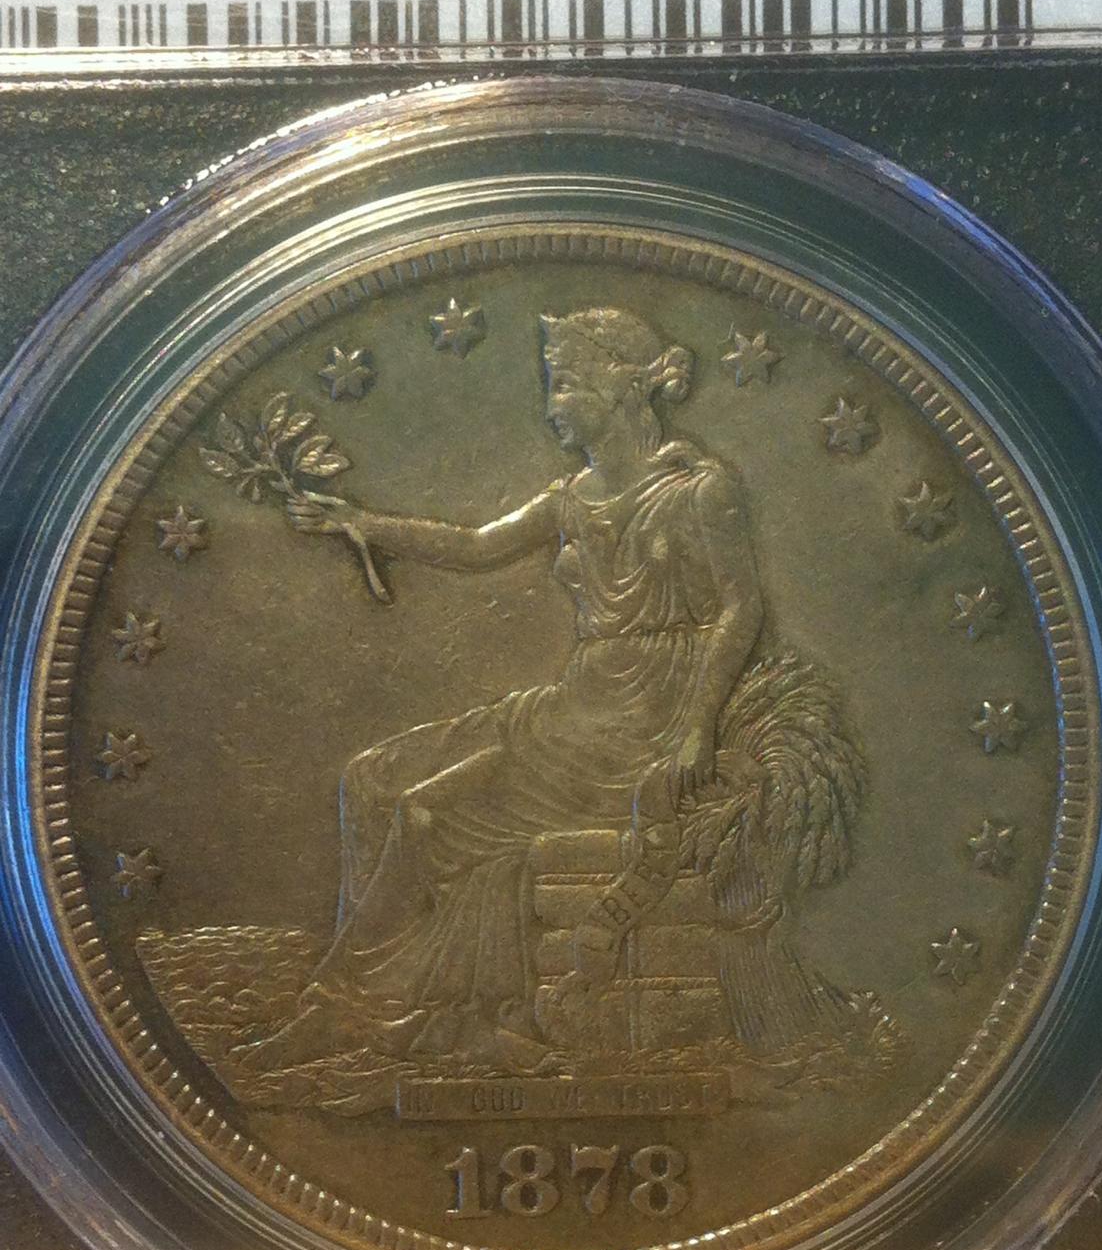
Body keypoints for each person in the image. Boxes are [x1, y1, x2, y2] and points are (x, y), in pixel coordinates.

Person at [240, 307, 768, 1073]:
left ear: (625, 386)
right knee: (371, 777)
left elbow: (740, 607)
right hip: (570, 709)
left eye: (566, 384)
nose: (552, 406)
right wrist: (360, 523)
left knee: (425, 813)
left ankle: (346, 1011)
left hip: (638, 723)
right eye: (552, 386)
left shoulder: (698, 491)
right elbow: (474, 546)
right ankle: (392, 1005)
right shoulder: (570, 497)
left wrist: (697, 725)